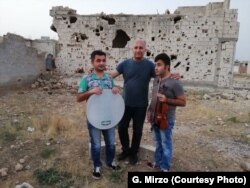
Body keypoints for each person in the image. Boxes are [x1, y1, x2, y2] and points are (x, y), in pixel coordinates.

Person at [76, 50, 121, 179]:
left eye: (103, 60)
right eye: (98, 60)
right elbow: (78, 98)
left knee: (111, 142)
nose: (102, 63)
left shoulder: (109, 78)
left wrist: (115, 90)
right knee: (95, 144)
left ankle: (111, 161)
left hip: (109, 117)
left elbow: (114, 97)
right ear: (92, 62)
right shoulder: (87, 79)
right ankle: (97, 165)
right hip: (93, 118)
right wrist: (91, 92)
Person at [146, 53, 186, 172]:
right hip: (154, 117)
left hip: (166, 119)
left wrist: (166, 100)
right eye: (155, 65)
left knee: (165, 144)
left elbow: (183, 102)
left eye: (159, 65)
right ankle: (157, 163)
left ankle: (165, 167)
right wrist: (149, 111)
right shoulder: (156, 80)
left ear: (167, 66)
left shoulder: (175, 82)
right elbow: (153, 98)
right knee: (157, 143)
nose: (156, 68)